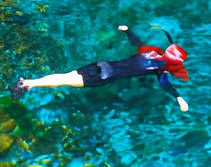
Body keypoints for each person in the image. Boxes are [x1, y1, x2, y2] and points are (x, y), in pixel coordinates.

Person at [12, 25, 190, 113]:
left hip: (102, 64)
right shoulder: (160, 70)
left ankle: (28, 83)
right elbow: (165, 84)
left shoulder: (150, 52)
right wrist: (178, 97)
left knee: (65, 76)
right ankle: (26, 84)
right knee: (64, 81)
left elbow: (137, 42)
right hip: (105, 76)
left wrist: (127, 31)